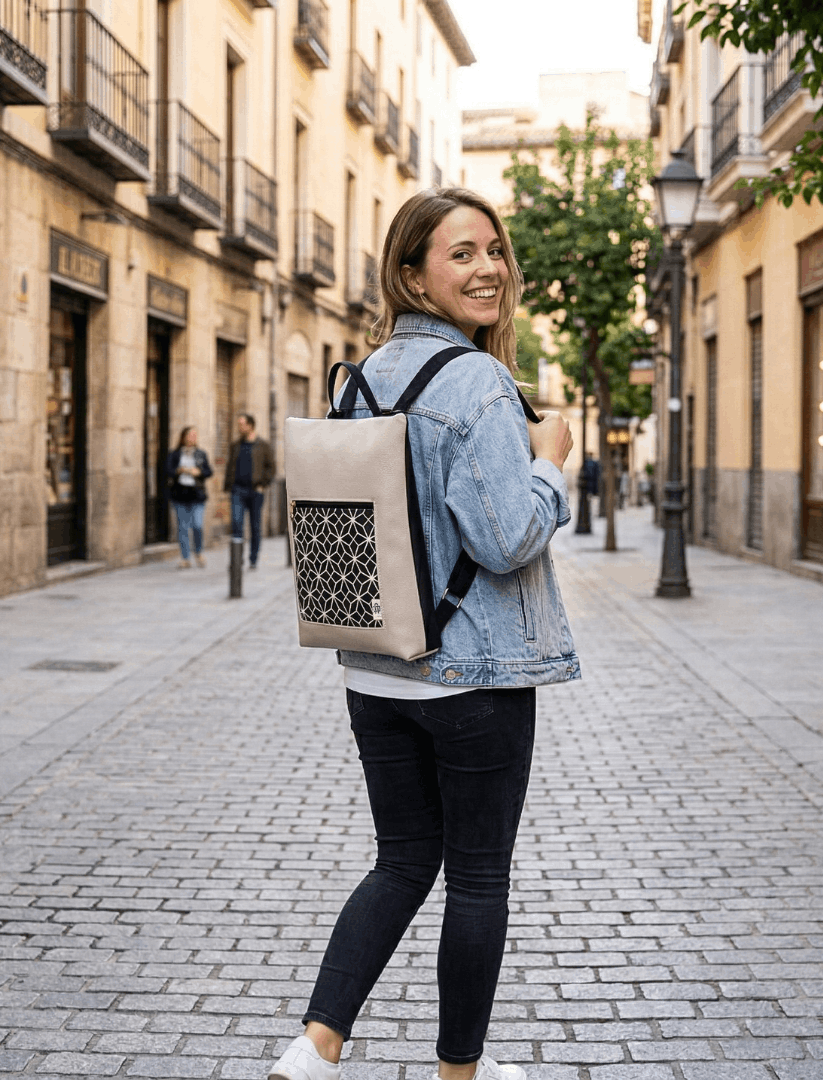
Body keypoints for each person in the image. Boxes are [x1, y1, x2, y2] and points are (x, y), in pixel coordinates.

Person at [269, 189, 579, 1080]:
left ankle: (315, 1045)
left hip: (375, 670)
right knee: (477, 878)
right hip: (471, 676)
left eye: (495, 251)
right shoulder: (476, 381)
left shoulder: (362, 378)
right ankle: (458, 1076)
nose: (489, 270)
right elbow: (506, 538)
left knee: (402, 861)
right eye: (462, 254)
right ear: (411, 275)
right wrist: (552, 463)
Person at [224, 413, 274, 568]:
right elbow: (230, 466)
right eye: (239, 424)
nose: (239, 427)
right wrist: (228, 486)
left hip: (255, 491)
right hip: (238, 490)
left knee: (255, 526)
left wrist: (263, 485)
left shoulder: (263, 445)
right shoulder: (235, 445)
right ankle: (237, 559)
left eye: (242, 424)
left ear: (250, 425)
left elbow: (271, 467)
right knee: (236, 523)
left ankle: (253, 558)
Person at [166, 426, 212, 568]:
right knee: (183, 527)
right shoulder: (175, 454)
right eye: (190, 435)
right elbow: (168, 470)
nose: (193, 438)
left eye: (194, 435)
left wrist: (198, 472)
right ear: (183, 437)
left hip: (197, 495)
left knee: (197, 525)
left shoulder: (201, 454)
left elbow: (209, 471)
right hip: (180, 494)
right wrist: (179, 471)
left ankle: (198, 552)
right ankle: (185, 558)